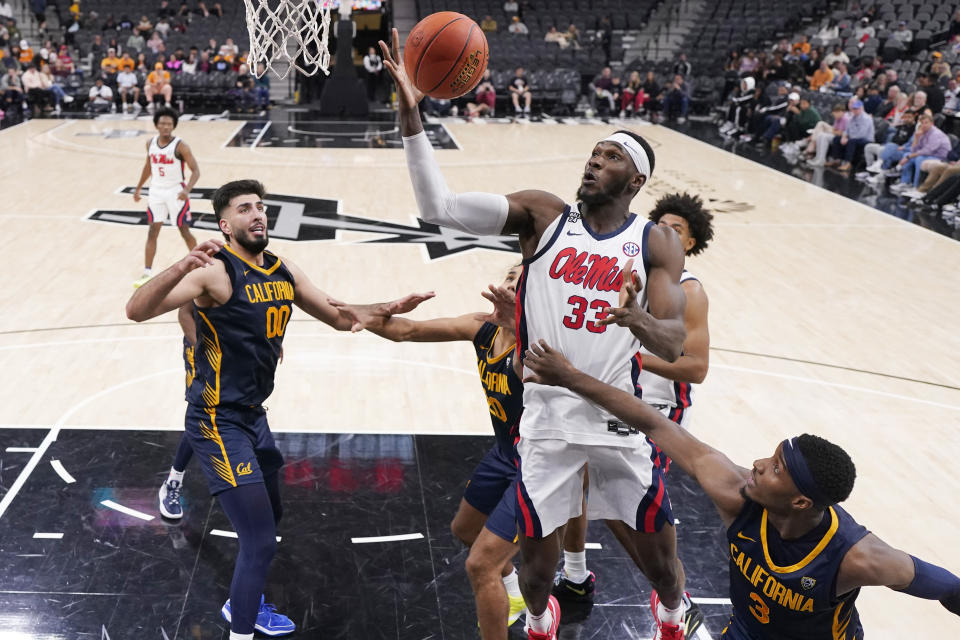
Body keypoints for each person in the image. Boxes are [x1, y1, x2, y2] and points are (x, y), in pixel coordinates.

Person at [379, 28, 691, 640]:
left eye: (611, 156)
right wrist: (413, 118)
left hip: (617, 419)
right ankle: (543, 615)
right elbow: (437, 209)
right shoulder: (544, 214)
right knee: (537, 577)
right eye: (593, 152)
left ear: (635, 180)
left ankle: (674, 610)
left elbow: (674, 343)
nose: (594, 160)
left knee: (662, 566)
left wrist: (635, 319)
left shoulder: (655, 241)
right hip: (545, 423)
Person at [127, 179, 430, 640]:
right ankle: (241, 627)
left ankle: (240, 602)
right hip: (215, 419)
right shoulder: (214, 272)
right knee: (260, 540)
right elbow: (135, 309)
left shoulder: (282, 269)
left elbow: (339, 315)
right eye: (245, 208)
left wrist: (383, 307)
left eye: (262, 207)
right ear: (225, 224)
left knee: (272, 516)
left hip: (253, 416)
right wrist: (177, 267)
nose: (258, 214)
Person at [520, 344, 960, 640]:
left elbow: (946, 586)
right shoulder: (737, 494)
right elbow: (654, 422)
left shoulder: (857, 556)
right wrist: (571, 377)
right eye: (771, 456)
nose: (758, 465)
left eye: (776, 469)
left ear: (801, 501)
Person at [334, 267, 530, 640]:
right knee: (465, 528)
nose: (507, 284)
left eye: (518, 282)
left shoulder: (538, 344)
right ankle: (518, 593)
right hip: (506, 453)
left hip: (540, 465)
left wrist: (523, 323)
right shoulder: (481, 328)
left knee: (481, 565)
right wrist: (358, 310)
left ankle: (536, 602)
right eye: (507, 276)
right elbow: (406, 331)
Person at [553, 192, 713, 621]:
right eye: (658, 226)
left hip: (660, 409)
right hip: (618, 398)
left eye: (675, 230)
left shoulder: (689, 291)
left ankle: (673, 592)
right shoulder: (624, 275)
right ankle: (574, 573)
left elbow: (696, 367)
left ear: (692, 244)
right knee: (583, 483)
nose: (663, 234)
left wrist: (627, 353)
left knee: (634, 506)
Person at [132, 108, 199, 288]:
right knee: (153, 230)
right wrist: (138, 188)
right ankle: (146, 273)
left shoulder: (180, 145)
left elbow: (196, 171)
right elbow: (148, 166)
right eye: (162, 123)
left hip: (176, 191)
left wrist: (187, 190)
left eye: (169, 124)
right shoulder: (150, 143)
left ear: (174, 126)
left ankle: (201, 266)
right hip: (156, 191)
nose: (166, 127)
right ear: (156, 125)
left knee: (184, 230)